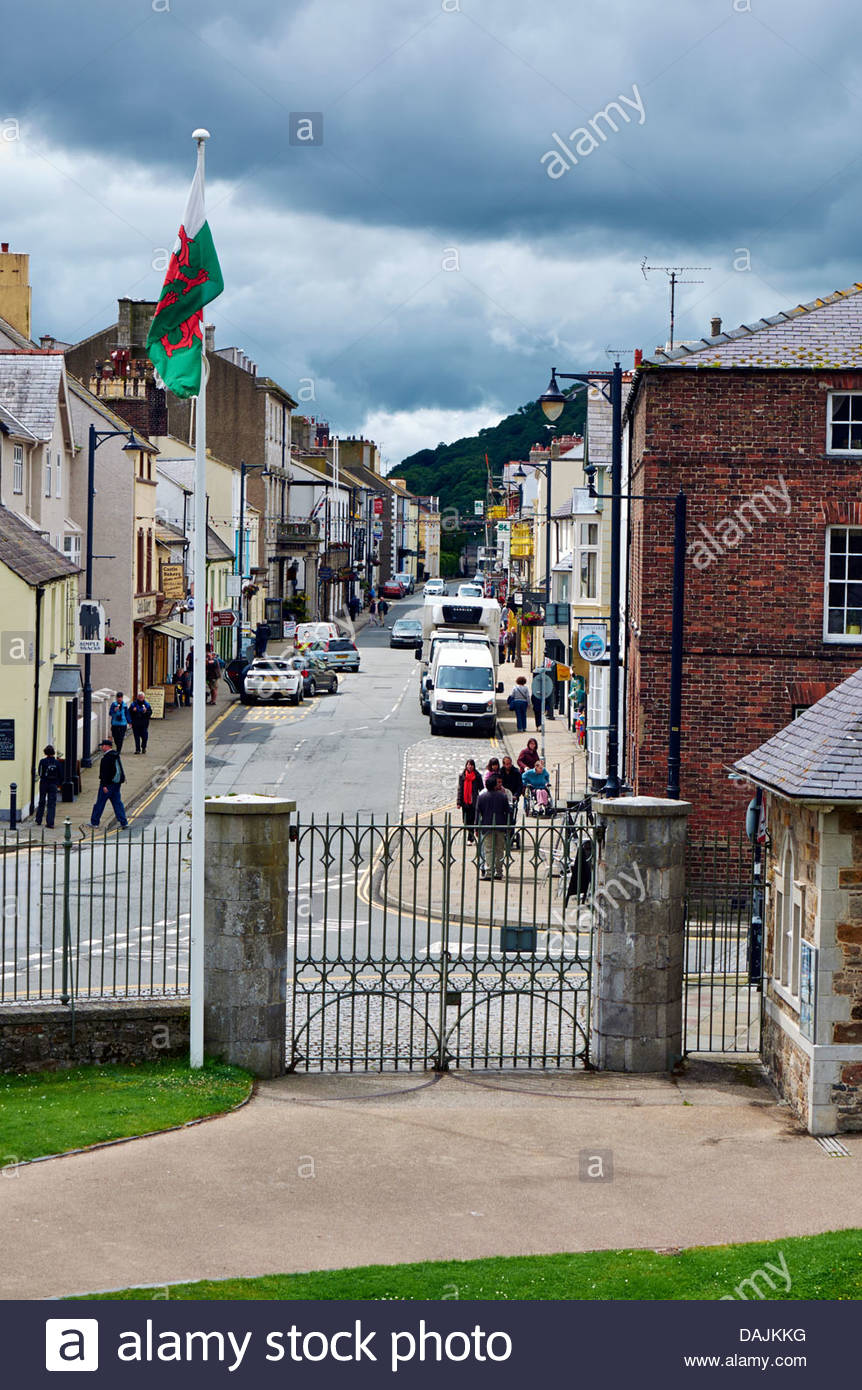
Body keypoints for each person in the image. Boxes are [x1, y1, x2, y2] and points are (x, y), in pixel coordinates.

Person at [476, 774, 511, 880]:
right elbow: (508, 812)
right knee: (500, 849)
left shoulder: (481, 797)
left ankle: (489, 872)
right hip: (500, 826)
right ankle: (499, 872)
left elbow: (478, 813)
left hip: (487, 826)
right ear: (495, 785)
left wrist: (476, 828)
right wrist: (508, 825)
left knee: (489, 850)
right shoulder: (503, 796)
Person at [90, 738, 128, 830]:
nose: (102, 747)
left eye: (103, 746)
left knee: (100, 803)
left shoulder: (106, 759)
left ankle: (94, 822)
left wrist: (104, 785)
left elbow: (104, 774)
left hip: (107, 785)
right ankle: (124, 822)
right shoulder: (116, 755)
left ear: (107, 746)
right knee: (117, 803)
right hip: (116, 784)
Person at [35, 745, 64, 828]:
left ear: (45, 752)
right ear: (53, 753)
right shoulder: (57, 762)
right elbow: (60, 774)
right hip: (53, 784)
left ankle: (39, 819)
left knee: (42, 801)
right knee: (52, 804)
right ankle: (50, 822)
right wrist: (58, 784)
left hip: (44, 783)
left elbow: (40, 773)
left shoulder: (42, 761)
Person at [457, 758, 480, 843]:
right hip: (465, 802)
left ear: (474, 766)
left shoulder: (477, 776)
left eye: (471, 765)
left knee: (472, 820)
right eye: (468, 765)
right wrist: (459, 802)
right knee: (465, 821)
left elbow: (481, 788)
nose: (469, 766)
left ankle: (470, 838)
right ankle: (471, 834)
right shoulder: (462, 776)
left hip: (474, 802)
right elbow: (460, 789)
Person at [500, 755, 523, 838]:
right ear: (503, 764)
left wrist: (516, 795)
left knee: (511, 815)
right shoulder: (500, 772)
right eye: (506, 764)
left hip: (512, 797)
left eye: (509, 764)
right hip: (502, 797)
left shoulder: (516, 772)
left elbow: (520, 786)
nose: (508, 766)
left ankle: (510, 833)